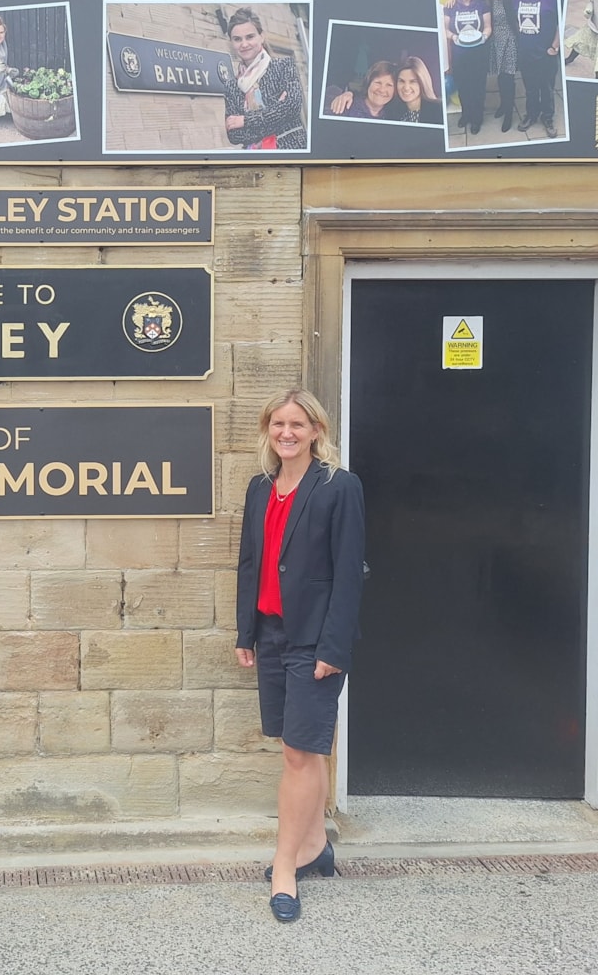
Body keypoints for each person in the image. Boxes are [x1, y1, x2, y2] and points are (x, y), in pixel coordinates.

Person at [234, 388, 366, 924]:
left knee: (296, 752)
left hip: (314, 638)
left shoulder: (339, 487)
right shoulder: (259, 488)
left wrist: (334, 647)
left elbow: (350, 571)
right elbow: (250, 563)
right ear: (268, 430)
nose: (286, 433)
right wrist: (246, 632)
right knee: (303, 749)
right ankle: (316, 846)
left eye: (297, 424)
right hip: (271, 634)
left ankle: (286, 865)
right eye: (278, 424)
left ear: (316, 431)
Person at [222, 6, 307, 149]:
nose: (244, 44)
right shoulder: (232, 86)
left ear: (261, 36)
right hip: (255, 158)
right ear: (232, 42)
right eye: (237, 39)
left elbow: (292, 107)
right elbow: (234, 136)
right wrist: (277, 112)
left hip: (290, 150)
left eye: (250, 36)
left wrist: (245, 120)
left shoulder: (283, 66)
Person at [512, 0, 561, 137]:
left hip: (547, 54)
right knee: (530, 88)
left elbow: (560, 23)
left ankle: (548, 118)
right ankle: (531, 115)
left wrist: (555, 46)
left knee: (547, 89)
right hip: (526, 54)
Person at [442, 0, 491, 135]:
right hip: (459, 54)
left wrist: (484, 36)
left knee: (478, 86)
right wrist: (453, 36)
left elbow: (488, 27)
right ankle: (466, 114)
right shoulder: (451, 6)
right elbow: (446, 29)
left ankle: (477, 118)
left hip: (478, 54)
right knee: (463, 86)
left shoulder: (482, 4)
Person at [485, 0, 519, 132]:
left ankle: (509, 114)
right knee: (500, 76)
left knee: (508, 77)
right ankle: (503, 105)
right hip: (494, 42)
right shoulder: (485, 0)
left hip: (509, 40)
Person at [324, 59, 397, 119]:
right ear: (368, 83)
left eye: (389, 85)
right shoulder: (345, 106)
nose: (382, 90)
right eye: (378, 83)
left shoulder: (393, 116)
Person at [384, 57, 443, 125]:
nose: (406, 88)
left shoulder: (438, 110)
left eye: (413, 81)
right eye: (401, 81)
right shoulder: (392, 112)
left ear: (422, 82)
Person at [563, 0, 598, 79]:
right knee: (580, 42)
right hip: (593, 25)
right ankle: (570, 59)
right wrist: (589, 9)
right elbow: (592, 1)